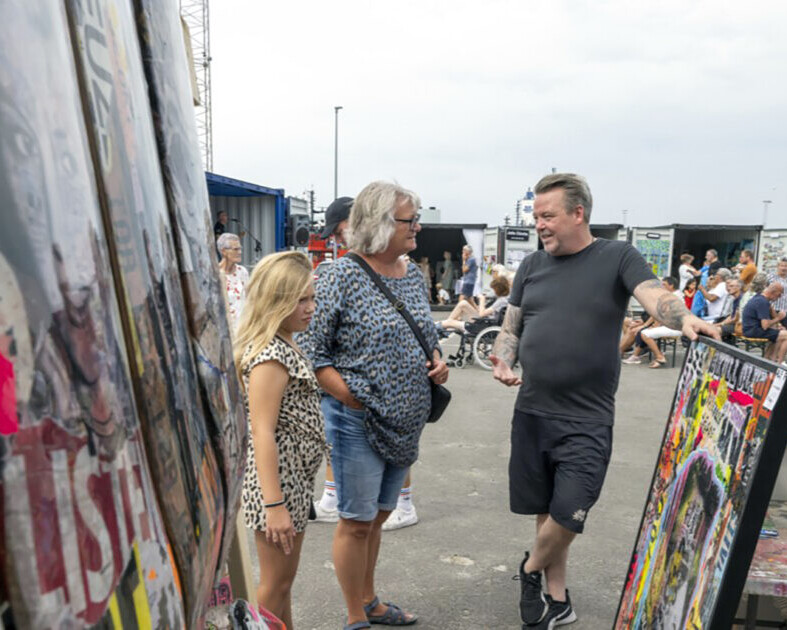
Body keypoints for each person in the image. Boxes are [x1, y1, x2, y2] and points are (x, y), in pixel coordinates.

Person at [488, 173, 717, 628]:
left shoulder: (616, 257)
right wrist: (503, 360)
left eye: (547, 216)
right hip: (532, 411)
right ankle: (558, 599)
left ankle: (529, 569)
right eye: (536, 217)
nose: (539, 225)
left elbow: (654, 295)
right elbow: (511, 327)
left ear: (578, 213)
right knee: (546, 510)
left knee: (570, 512)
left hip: (586, 418)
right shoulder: (531, 266)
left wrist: (684, 318)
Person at [303, 181, 448, 629]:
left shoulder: (412, 274)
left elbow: (425, 334)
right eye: (410, 220)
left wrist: (437, 361)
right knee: (356, 521)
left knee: (380, 516)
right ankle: (355, 616)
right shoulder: (339, 276)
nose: (417, 227)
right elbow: (313, 352)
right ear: (380, 223)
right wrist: (350, 397)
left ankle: (369, 600)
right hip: (356, 421)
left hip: (404, 422)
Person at [233, 251, 326, 630]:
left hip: (292, 482)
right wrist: (275, 505)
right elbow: (262, 431)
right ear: (276, 301)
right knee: (274, 587)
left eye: (312, 297)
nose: (310, 307)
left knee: (283, 585)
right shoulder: (271, 355)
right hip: (278, 486)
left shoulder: (284, 343)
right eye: (300, 300)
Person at [312, 197, 354, 523]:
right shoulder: (398, 267)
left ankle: (332, 498)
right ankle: (333, 496)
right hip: (351, 382)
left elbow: (316, 338)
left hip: (344, 381)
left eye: (339, 232)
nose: (338, 241)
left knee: (335, 437)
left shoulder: (342, 272)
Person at [437, 275, 510, 334]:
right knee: (463, 303)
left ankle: (437, 326)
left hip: (483, 325)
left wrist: (482, 300)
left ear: (498, 289)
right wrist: (474, 303)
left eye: (494, 289)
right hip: (485, 321)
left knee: (450, 322)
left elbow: (481, 314)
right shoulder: (504, 299)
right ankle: (444, 327)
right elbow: (483, 312)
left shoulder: (501, 301)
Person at [639, 277, 686, 368]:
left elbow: (663, 314)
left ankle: (660, 357)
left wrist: (656, 325)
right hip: (673, 325)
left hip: (675, 327)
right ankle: (657, 354)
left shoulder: (673, 297)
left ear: (671, 286)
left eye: (664, 284)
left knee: (645, 334)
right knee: (644, 331)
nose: (662, 286)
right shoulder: (675, 294)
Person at [742, 282, 787, 362]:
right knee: (786, 335)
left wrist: (778, 326)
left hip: (749, 329)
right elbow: (765, 326)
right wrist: (779, 318)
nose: (779, 297)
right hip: (753, 330)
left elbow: (767, 321)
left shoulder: (759, 298)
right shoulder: (762, 302)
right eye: (779, 294)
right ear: (773, 292)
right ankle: (778, 363)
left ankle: (769, 360)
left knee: (779, 334)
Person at [217, 232, 249, 330]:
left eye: (240, 248)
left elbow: (249, 299)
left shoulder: (242, 272)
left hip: (243, 329)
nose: (240, 252)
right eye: (236, 249)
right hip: (224, 329)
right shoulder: (215, 274)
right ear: (224, 251)